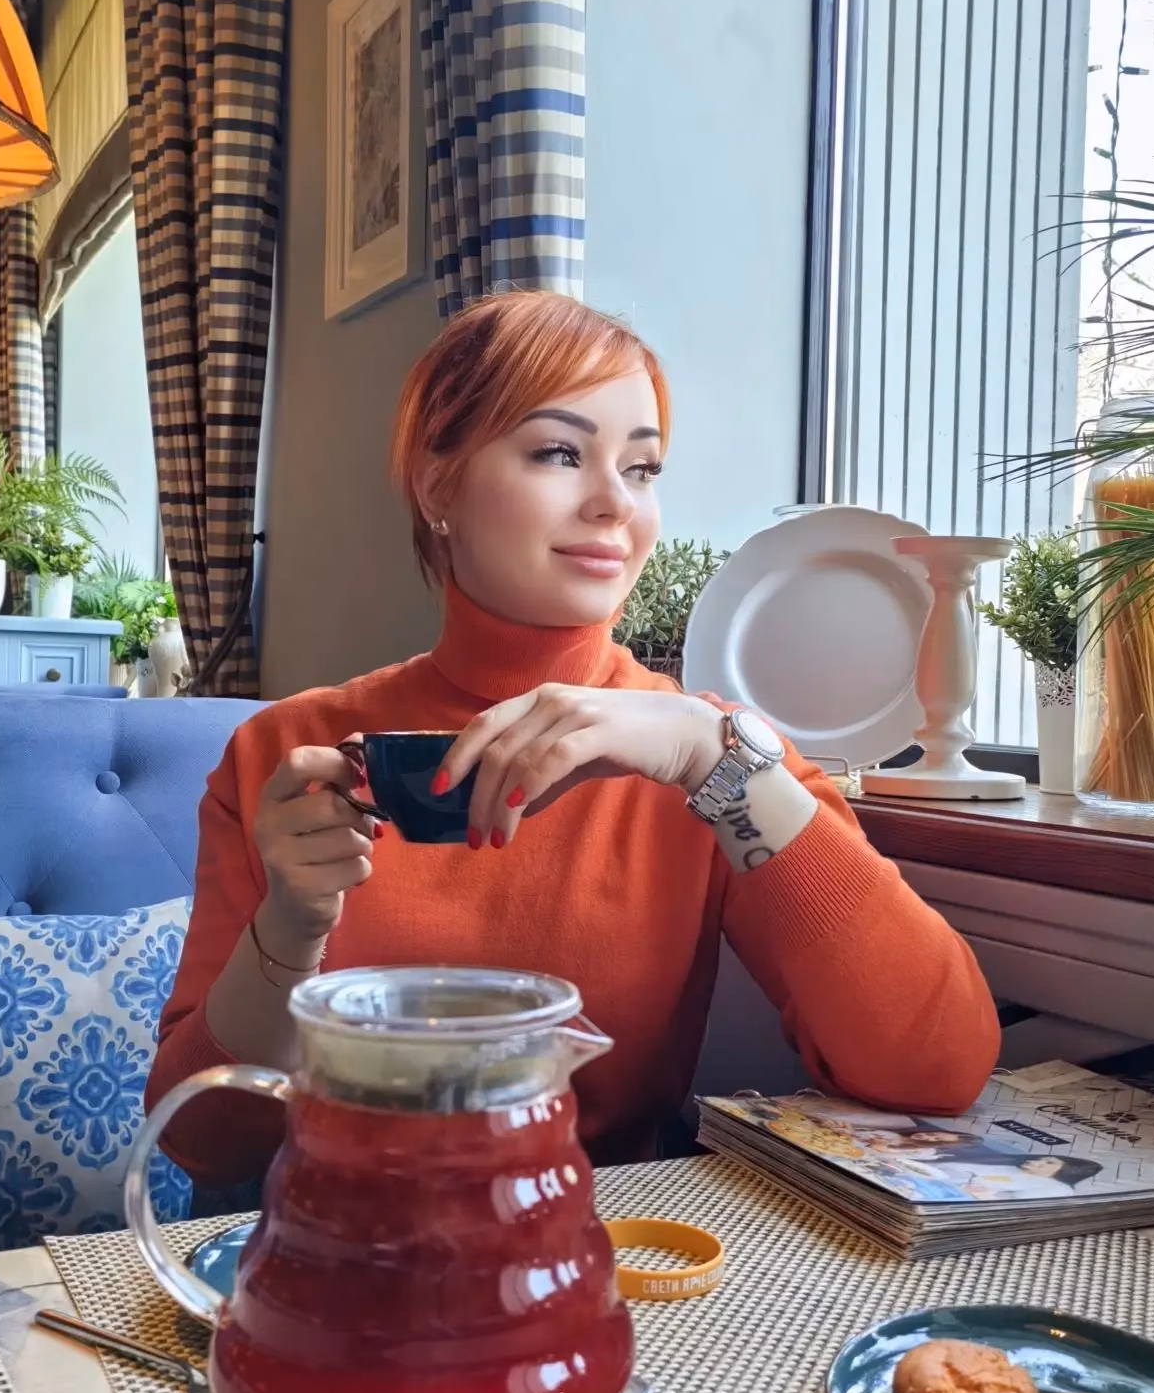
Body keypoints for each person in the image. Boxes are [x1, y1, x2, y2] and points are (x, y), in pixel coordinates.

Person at [147, 291, 1000, 1186]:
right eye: (559, 453)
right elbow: (203, 1140)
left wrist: (713, 758)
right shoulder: (288, 755)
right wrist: (290, 928)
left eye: (642, 468)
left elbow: (937, 1071)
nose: (615, 503)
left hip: (606, 1245)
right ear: (438, 486)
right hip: (340, 1242)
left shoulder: (712, 759)